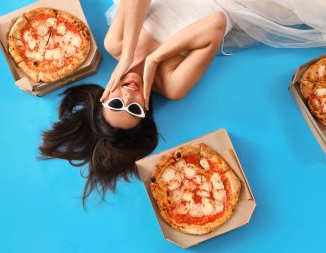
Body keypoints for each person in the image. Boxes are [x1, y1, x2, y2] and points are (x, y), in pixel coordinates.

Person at [40, 0, 326, 205]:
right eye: (135, 109)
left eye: (116, 104)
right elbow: (217, 22)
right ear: (146, 109)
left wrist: (130, 56)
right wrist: (154, 59)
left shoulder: (117, 45)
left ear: (104, 97)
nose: (128, 96)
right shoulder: (173, 84)